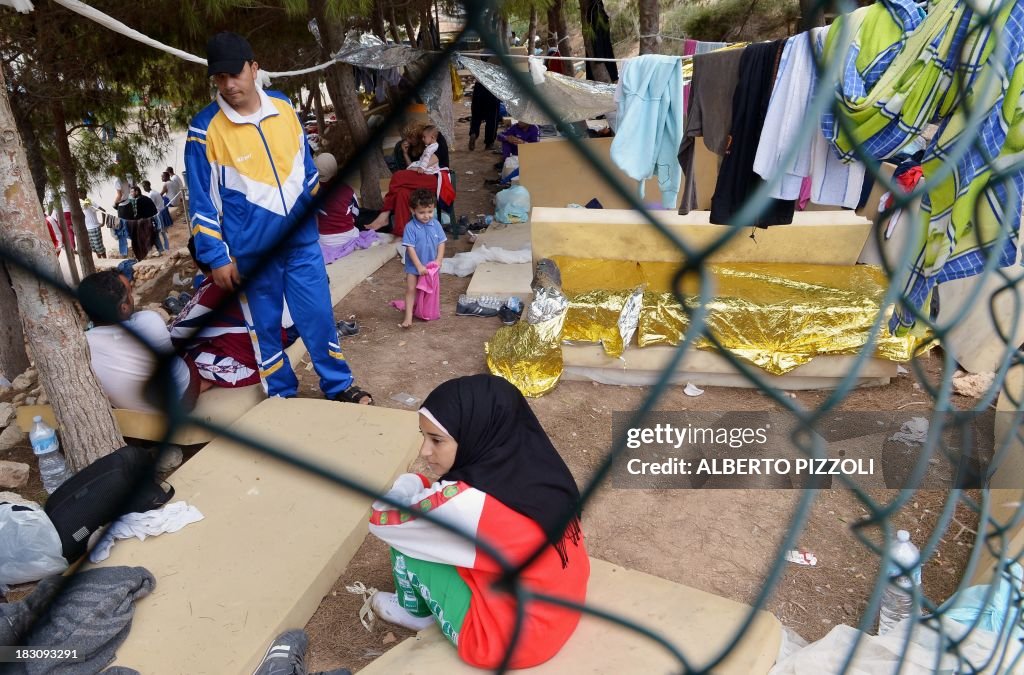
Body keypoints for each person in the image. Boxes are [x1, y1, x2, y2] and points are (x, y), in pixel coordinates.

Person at [186, 31, 372, 404]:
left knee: (318, 317)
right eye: (219, 78)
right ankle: (282, 395)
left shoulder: (284, 107)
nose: (228, 84)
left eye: (235, 74)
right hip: (252, 254)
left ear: (254, 69)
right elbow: (201, 203)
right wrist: (217, 257)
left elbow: (305, 168)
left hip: (302, 244)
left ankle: (339, 386)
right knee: (265, 330)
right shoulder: (204, 130)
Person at [367, 374, 589, 669]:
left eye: (436, 440)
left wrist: (410, 482)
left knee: (407, 541)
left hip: (510, 644)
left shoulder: (466, 502)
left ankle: (414, 613)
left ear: (474, 433)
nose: (424, 451)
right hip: (561, 611)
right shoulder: (542, 465)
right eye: (423, 436)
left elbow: (381, 521)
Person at [79, 269, 204, 413]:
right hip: (183, 402)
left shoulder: (83, 343)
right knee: (185, 354)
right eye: (129, 295)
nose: (132, 298)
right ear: (124, 307)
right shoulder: (149, 320)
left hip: (136, 416)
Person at [368, 122, 455, 237]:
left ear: (419, 136)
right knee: (401, 193)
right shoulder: (413, 147)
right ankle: (401, 233)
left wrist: (413, 169)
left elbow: (424, 166)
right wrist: (405, 153)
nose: (408, 141)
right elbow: (410, 167)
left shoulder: (436, 140)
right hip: (420, 178)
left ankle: (384, 214)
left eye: (410, 138)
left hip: (436, 179)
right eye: (406, 138)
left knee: (398, 176)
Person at [399, 189, 445, 329]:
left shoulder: (436, 224)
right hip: (414, 266)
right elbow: (410, 248)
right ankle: (408, 317)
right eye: (422, 212)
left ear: (434, 209)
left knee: (429, 290)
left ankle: (425, 310)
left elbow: (441, 242)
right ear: (412, 210)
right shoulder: (410, 227)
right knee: (411, 288)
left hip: (431, 266)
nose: (426, 216)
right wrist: (418, 266)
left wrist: (439, 260)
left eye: (430, 212)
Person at [117, 185, 161, 258]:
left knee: (144, 236)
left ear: (137, 192)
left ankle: (148, 252)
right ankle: (159, 250)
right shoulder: (145, 197)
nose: (130, 194)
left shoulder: (139, 200)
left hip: (148, 220)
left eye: (132, 192)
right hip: (154, 218)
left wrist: (131, 221)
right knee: (155, 236)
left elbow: (139, 214)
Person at [469, 76, 500, 151]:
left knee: (476, 115)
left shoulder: (478, 63)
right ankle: (489, 143)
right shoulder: (497, 63)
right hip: (492, 86)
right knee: (492, 118)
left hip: (479, 86)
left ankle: (474, 133)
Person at [143, 180, 172, 251]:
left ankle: (165, 248)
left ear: (147, 186)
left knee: (161, 232)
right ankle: (166, 247)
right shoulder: (154, 191)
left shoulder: (151, 195)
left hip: (158, 214)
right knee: (163, 232)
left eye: (144, 186)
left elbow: (150, 206)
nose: (143, 188)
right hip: (161, 212)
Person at [78, 188, 106, 258]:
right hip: (88, 229)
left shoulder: (90, 202)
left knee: (100, 248)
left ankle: (105, 260)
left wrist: (103, 223)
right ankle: (100, 261)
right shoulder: (82, 203)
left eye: (79, 193)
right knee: (94, 248)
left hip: (94, 228)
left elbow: (103, 210)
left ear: (83, 193)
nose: (78, 195)